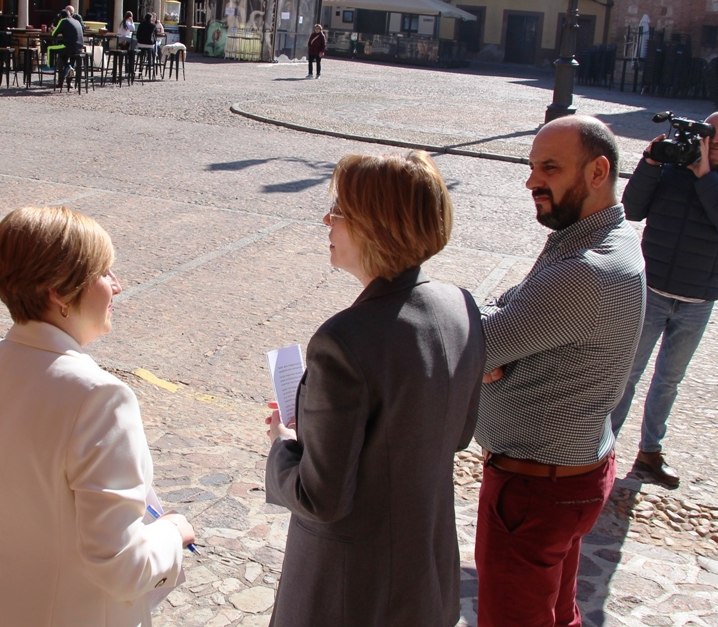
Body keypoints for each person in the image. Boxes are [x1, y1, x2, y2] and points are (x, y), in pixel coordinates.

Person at [0, 205, 194, 626]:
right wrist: (172, 532)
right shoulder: (99, 396)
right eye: (104, 272)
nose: (117, 285)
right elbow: (121, 565)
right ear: (58, 292)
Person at [264, 152, 485, 627]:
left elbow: (320, 498)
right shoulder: (460, 306)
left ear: (375, 227)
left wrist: (285, 443)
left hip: (352, 591)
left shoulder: (344, 339)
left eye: (339, 211)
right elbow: (456, 432)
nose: (327, 220)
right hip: (425, 572)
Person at [475, 115, 646, 627]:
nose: (531, 181)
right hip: (570, 472)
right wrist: (497, 335)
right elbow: (507, 310)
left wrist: (490, 349)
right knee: (558, 613)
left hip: (535, 490)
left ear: (598, 172)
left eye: (549, 168)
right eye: (532, 167)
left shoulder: (587, 269)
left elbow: (472, 346)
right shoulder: (600, 237)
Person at [611, 111, 718, 488]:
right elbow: (632, 209)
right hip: (653, 290)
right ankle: (602, 450)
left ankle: (649, 452)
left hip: (697, 300)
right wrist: (649, 164)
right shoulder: (673, 169)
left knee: (668, 381)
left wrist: (705, 175)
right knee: (627, 374)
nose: (716, 139)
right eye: (711, 132)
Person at [48, 9, 85, 79]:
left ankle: (50, 67)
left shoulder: (63, 21)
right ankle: (68, 67)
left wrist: (52, 29)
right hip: (80, 48)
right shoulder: (76, 21)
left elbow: (53, 34)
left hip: (69, 47)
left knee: (50, 48)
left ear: (61, 16)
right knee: (62, 54)